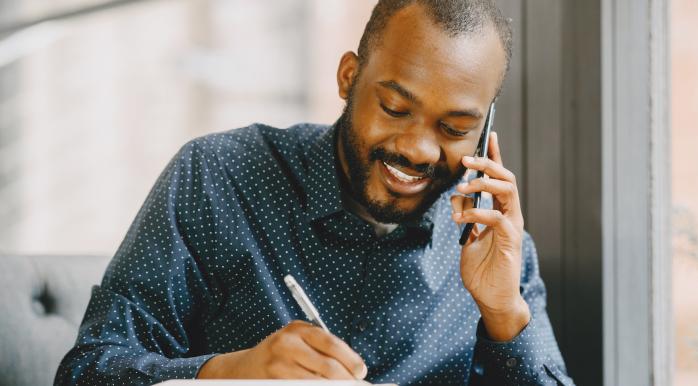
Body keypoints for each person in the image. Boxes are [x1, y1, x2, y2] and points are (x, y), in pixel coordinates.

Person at [55, 1, 574, 385]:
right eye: (394, 108)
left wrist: (506, 315)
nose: (418, 149)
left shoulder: (497, 251)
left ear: (485, 132)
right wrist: (231, 375)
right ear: (349, 77)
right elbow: (87, 371)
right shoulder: (216, 178)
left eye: (455, 127)